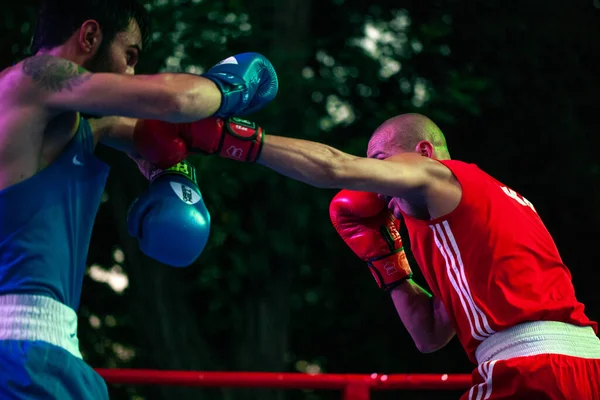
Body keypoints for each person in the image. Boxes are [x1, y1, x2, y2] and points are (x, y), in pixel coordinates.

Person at [135, 113, 600, 399]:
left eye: (379, 164)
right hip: (577, 366)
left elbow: (335, 167)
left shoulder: (444, 177)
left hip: (534, 370)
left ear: (421, 155)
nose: (374, 185)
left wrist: (221, 137)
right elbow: (431, 334)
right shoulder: (467, 221)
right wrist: (389, 262)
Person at [0, 0, 278, 397]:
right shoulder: (33, 76)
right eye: (128, 56)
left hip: (45, 351)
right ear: (90, 36)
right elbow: (175, 101)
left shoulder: (68, 124)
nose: (132, 73)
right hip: (21, 353)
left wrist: (171, 170)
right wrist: (231, 86)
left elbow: (153, 134)